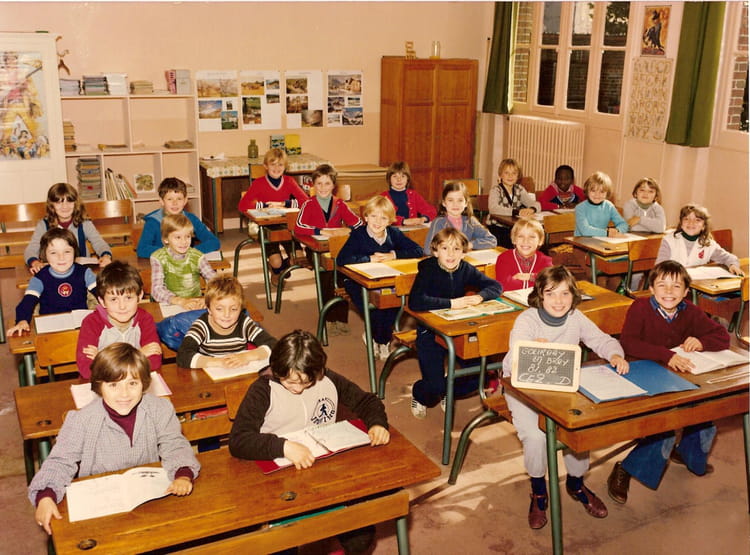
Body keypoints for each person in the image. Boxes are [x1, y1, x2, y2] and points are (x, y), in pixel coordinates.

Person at [228, 329, 389, 554]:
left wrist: (377, 423)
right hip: (280, 479)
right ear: (277, 370)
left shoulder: (327, 379)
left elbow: (367, 401)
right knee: (283, 541)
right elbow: (238, 440)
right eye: (289, 381)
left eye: (305, 382)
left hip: (324, 472)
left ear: (318, 372)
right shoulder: (263, 390)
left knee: (360, 535)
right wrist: (283, 446)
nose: (297, 389)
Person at [502, 266, 628, 529]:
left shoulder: (575, 317)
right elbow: (515, 354)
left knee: (578, 426)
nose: (558, 301)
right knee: (536, 436)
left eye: (565, 294)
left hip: (562, 385)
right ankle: (538, 490)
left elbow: (601, 340)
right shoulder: (527, 319)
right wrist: (531, 350)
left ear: (573, 296)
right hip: (523, 387)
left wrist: (615, 354)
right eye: (550, 294)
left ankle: (576, 483)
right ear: (540, 295)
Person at [28, 343, 200, 535]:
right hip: (101, 503)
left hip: (147, 496)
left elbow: (174, 444)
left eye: (132, 383)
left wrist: (183, 474)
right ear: (99, 386)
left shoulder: (160, 409)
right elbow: (60, 461)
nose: (124, 394)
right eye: (113, 385)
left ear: (144, 383)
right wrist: (45, 496)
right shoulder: (82, 420)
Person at [607, 261, 730, 505]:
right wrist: (667, 355)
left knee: (704, 413)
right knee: (665, 426)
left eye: (676, 286)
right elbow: (629, 343)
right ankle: (626, 467)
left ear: (686, 292)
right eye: (662, 285)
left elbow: (722, 336)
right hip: (642, 371)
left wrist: (701, 342)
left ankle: (685, 453)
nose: (669, 292)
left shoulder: (690, 310)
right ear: (651, 288)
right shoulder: (640, 307)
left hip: (675, 374)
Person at [409, 228, 502, 418]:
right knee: (433, 386)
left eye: (456, 249)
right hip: (430, 333)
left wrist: (480, 296)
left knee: (480, 374)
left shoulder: (465, 268)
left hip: (458, 331)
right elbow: (415, 301)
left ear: (463, 253)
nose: (451, 254)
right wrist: (451, 303)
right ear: (435, 251)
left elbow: (495, 286)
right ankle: (420, 394)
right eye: (445, 248)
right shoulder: (428, 269)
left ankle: (447, 391)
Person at [336, 195, 424, 359]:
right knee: (374, 310)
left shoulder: (394, 233)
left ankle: (381, 340)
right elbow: (342, 259)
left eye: (383, 218)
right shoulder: (358, 235)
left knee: (392, 304)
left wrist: (393, 255)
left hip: (385, 280)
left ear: (390, 221)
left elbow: (418, 250)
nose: (378, 221)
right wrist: (368, 258)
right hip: (356, 282)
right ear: (366, 217)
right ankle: (379, 338)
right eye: (374, 216)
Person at [295, 164, 362, 336]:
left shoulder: (340, 204)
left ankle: (341, 318)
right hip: (316, 250)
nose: (323, 188)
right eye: (319, 183)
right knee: (326, 277)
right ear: (313, 185)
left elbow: (358, 224)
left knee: (343, 277)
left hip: (337, 250)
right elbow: (298, 227)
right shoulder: (309, 204)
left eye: (327, 183)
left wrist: (347, 230)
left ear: (333, 185)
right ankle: (329, 319)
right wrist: (320, 231)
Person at [77, 261, 162, 380]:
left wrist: (103, 359)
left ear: (139, 296)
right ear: (102, 301)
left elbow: (154, 361)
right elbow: (87, 369)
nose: (122, 306)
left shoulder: (145, 319)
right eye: (113, 299)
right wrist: (139, 354)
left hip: (132, 383)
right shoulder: (91, 322)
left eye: (128, 298)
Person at [237, 148, 309, 285]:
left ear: (285, 167)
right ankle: (276, 270)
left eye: (280, 165)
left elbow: (306, 201)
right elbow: (242, 205)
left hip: (286, 225)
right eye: (273, 164)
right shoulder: (258, 183)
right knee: (276, 262)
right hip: (265, 226)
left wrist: (284, 203)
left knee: (298, 259)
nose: (277, 168)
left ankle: (281, 270)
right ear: (265, 166)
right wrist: (265, 206)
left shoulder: (289, 181)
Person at [7, 228, 97, 337]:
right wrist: (22, 320)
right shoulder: (40, 278)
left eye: (67, 252)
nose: (61, 257)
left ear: (75, 252)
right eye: (53, 253)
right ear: (44, 255)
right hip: (50, 329)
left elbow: (102, 293)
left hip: (81, 328)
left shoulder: (85, 272)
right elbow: (27, 302)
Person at [176, 275, 277, 369]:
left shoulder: (244, 323)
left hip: (240, 371)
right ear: (209, 309)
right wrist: (219, 362)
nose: (227, 315)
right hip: (211, 374)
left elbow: (273, 345)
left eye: (234, 309)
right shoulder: (201, 326)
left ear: (241, 309)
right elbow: (183, 355)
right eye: (219, 309)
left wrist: (246, 356)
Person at [25, 182, 112, 274]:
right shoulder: (44, 225)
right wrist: (35, 262)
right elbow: (31, 249)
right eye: (59, 202)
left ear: (76, 203)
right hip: (54, 271)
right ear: (51, 205)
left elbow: (99, 243)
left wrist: (106, 256)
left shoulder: (84, 223)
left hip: (80, 271)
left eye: (69, 201)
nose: (65, 206)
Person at [136, 177, 220, 259]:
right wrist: (171, 253)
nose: (175, 203)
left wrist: (191, 252)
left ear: (185, 200)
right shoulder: (153, 222)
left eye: (179, 199)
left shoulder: (191, 219)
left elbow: (214, 241)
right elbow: (142, 249)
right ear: (161, 201)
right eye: (170, 199)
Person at [150, 213, 217, 310]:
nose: (184, 242)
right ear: (166, 239)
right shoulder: (158, 258)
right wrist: (180, 301)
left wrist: (207, 299)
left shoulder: (197, 256)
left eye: (188, 236)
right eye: (178, 237)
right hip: (170, 304)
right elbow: (156, 290)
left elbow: (215, 281)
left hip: (195, 304)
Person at [655, 204, 743, 276]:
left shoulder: (708, 244)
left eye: (697, 220)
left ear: (704, 226)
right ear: (681, 223)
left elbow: (728, 258)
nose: (691, 223)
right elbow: (660, 266)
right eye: (686, 219)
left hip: (696, 285)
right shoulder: (669, 240)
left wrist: (733, 265)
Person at [423, 181, 497, 255]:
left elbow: (492, 240)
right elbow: (428, 249)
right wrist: (452, 249)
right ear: (444, 203)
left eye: (460, 200)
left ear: (466, 203)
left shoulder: (470, 221)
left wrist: (470, 245)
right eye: (450, 200)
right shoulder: (439, 222)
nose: (455, 204)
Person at [486, 158, 540, 249]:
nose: (510, 176)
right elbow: (493, 208)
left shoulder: (519, 189)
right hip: (497, 228)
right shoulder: (496, 190)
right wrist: (516, 212)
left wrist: (531, 209)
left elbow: (537, 204)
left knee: (532, 238)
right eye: (506, 173)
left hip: (514, 227)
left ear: (518, 176)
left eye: (514, 173)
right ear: (500, 175)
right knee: (513, 242)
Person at [494, 218, 552, 291]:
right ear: (514, 239)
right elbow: (503, 286)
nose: (526, 241)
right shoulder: (504, 258)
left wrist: (530, 277)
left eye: (532, 237)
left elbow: (550, 281)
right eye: (521, 236)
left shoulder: (546, 261)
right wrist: (538, 280)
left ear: (540, 241)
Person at [380, 161, 436, 226]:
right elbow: (381, 216)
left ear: (408, 179)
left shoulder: (413, 195)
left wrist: (423, 219)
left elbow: (431, 210)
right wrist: (403, 221)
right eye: (395, 176)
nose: (399, 180)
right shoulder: (383, 197)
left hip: (412, 229)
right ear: (389, 179)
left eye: (403, 176)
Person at [574, 171, 629, 237]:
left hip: (601, 240)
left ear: (607, 193)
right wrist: (607, 233)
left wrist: (617, 230)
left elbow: (623, 224)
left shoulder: (609, 206)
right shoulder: (580, 208)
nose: (597, 195)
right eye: (593, 191)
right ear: (587, 190)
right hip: (581, 241)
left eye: (602, 192)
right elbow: (585, 231)